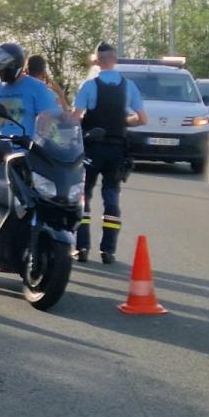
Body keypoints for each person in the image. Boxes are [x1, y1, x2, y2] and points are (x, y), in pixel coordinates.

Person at [72, 42, 149, 264]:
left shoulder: (89, 85)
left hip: (91, 150)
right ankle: (108, 251)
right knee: (111, 197)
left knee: (83, 196)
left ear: (96, 62)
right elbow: (143, 119)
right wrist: (123, 121)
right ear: (115, 60)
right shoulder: (129, 86)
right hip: (117, 150)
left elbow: (76, 118)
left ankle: (82, 248)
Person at [0, 42, 61, 138]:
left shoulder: (38, 87)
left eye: (0, 69)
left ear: (12, 66)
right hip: (2, 149)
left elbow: (50, 121)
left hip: (28, 150)